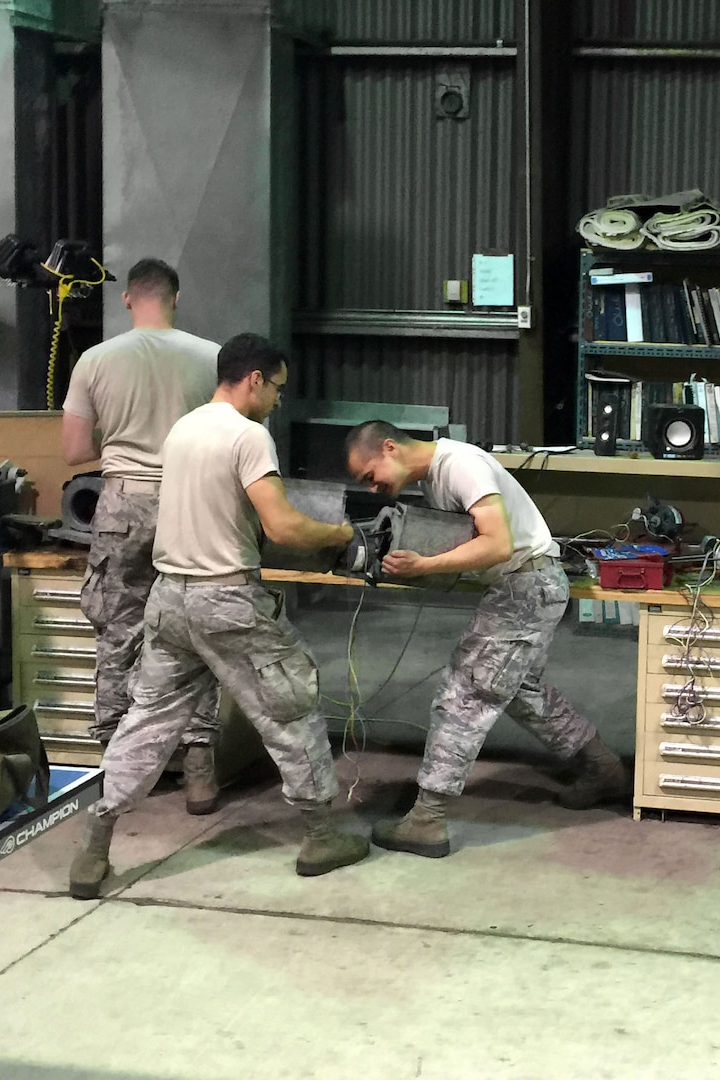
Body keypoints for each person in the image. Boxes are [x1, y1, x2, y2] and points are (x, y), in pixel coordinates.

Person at [69, 333, 367, 896]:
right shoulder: (248, 435)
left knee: (146, 719)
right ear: (255, 378)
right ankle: (322, 834)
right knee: (291, 704)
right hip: (226, 599)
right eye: (277, 387)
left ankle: (95, 844)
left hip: (170, 600)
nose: (278, 399)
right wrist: (344, 533)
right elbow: (282, 527)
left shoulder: (184, 428)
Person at [343, 422, 629, 859]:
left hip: (525, 585)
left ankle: (428, 818)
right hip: (525, 586)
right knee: (518, 692)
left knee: (465, 694)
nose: (374, 487)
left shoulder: (460, 465)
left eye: (370, 474)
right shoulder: (437, 478)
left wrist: (426, 565)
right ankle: (602, 767)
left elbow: (498, 544)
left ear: (389, 447)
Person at [61, 257, 220, 810]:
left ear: (128, 299)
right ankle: (198, 767)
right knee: (195, 632)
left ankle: (114, 765)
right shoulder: (212, 357)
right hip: (193, 503)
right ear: (176, 298)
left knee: (118, 630)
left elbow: (75, 452)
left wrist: (124, 442)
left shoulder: (95, 360)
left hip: (124, 502)